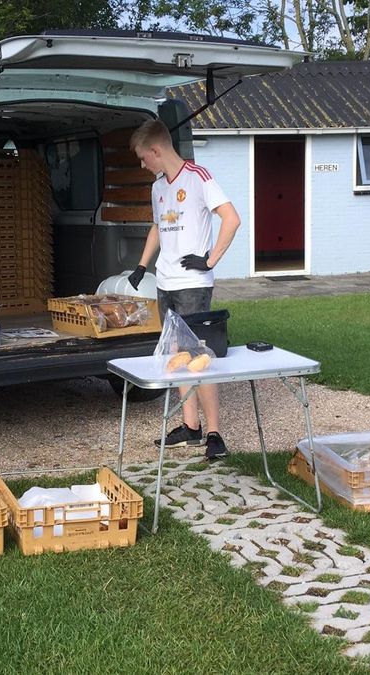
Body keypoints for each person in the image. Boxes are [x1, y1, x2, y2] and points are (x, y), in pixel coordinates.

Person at [127, 119, 242, 460]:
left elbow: (231, 218)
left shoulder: (198, 177)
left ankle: (214, 433)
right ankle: (190, 427)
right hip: (166, 283)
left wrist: (211, 259)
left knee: (199, 359)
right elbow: (158, 227)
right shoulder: (158, 186)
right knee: (176, 356)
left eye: (142, 158)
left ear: (156, 150)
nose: (142, 164)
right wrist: (142, 266)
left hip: (193, 285)